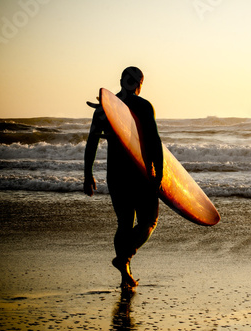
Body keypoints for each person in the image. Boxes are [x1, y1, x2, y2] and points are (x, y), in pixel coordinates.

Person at [83, 66, 163, 289]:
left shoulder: (103, 110)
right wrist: (160, 173)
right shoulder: (144, 106)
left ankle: (124, 274)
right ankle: (124, 258)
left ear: (120, 81)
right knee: (149, 220)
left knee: (124, 223)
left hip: (116, 174)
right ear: (140, 84)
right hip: (141, 173)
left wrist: (88, 174)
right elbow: (154, 141)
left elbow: (92, 143)